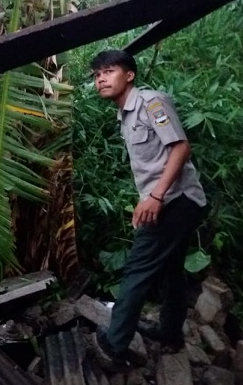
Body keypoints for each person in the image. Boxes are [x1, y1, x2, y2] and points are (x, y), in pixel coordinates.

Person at [89, 50, 207, 371]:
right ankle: (170, 334)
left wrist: (154, 197)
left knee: (137, 270)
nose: (100, 78)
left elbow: (181, 147)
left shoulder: (150, 102)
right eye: (96, 74)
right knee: (171, 271)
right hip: (172, 201)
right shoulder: (125, 115)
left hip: (176, 202)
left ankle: (114, 347)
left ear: (129, 75)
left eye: (108, 71)